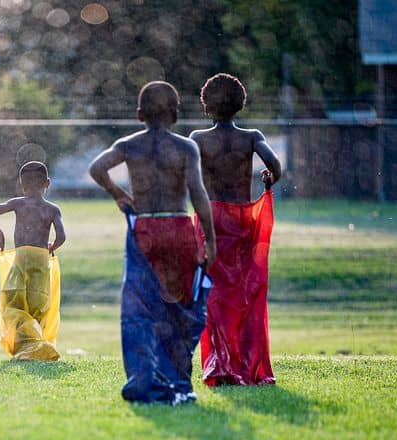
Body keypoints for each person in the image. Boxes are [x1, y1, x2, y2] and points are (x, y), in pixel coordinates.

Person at [89, 80, 216, 404]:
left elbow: (97, 168)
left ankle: (144, 379)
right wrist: (209, 240)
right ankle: (180, 386)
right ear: (174, 115)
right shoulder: (186, 148)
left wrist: (119, 194)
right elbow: (198, 194)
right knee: (179, 308)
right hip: (178, 227)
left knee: (139, 307)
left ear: (139, 114)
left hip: (145, 229)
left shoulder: (130, 145)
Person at [189, 72, 282, 386]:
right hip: (242, 220)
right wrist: (270, 180)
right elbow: (274, 165)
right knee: (243, 292)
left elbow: (185, 173)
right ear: (241, 105)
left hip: (210, 219)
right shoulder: (252, 136)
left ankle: (221, 364)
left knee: (212, 293)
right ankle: (244, 363)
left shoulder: (198, 139)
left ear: (206, 107)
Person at [0, 161, 66, 361]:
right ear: (48, 183)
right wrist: (52, 247)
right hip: (39, 259)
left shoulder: (17, 203)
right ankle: (36, 348)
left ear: (22, 184)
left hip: (20, 259)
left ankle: (25, 347)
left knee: (15, 302)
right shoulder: (52, 209)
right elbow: (62, 236)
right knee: (39, 303)